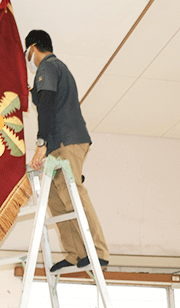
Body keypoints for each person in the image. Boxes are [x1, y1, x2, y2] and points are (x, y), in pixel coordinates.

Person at [25, 29, 109, 273]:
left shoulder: (48, 67)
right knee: (55, 198)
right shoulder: (56, 69)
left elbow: (47, 105)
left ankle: (97, 252)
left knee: (73, 194)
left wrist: (41, 144)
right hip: (59, 143)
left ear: (33, 48)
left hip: (65, 141)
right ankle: (76, 253)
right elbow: (43, 98)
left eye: (27, 53)